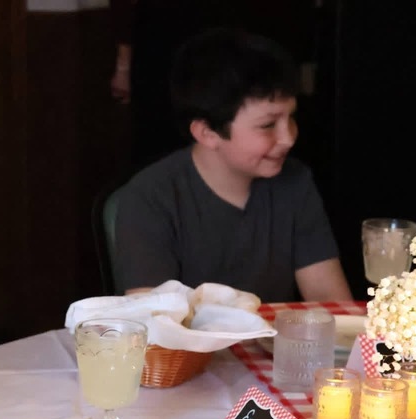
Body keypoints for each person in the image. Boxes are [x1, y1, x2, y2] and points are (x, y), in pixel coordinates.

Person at [112, 27, 353, 303]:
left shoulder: (295, 182)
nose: (288, 138)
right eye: (268, 125)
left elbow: (333, 307)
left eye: (291, 118)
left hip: (277, 346)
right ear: (207, 133)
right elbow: (156, 325)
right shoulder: (150, 197)